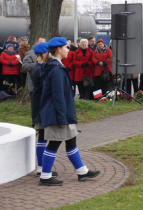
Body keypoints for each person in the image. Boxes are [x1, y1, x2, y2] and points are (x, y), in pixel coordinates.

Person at [39, 37, 100, 186]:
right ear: (59, 50)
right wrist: (61, 118)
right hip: (58, 113)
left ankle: (81, 170)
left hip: (62, 112)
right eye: (66, 47)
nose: (69, 50)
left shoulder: (55, 66)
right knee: (53, 143)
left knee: (71, 140)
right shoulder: (56, 69)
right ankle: (45, 176)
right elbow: (58, 96)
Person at [30, 42, 58, 177]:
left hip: (40, 105)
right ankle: (41, 167)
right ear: (43, 54)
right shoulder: (39, 69)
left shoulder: (40, 68)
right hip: (40, 105)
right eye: (48, 53)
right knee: (42, 136)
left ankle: (41, 167)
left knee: (42, 136)